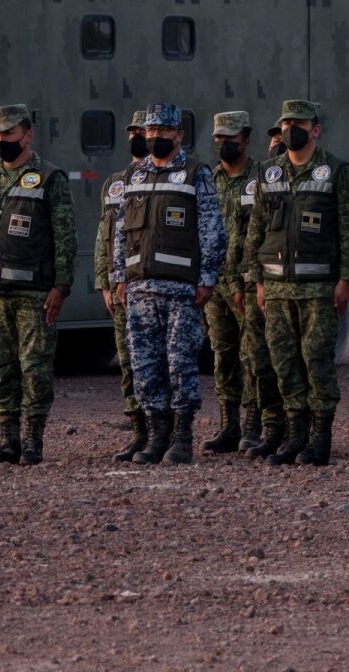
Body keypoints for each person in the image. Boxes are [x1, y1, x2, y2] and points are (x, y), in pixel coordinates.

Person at [244, 99, 349, 467]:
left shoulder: (336, 171)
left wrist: (347, 279)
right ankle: (295, 436)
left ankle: (320, 438)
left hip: (318, 288)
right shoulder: (268, 173)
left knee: (317, 362)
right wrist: (257, 279)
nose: (290, 129)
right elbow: (256, 230)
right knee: (284, 362)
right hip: (277, 288)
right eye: (286, 124)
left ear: (316, 129)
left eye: (299, 123)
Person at [113, 101, 226, 466]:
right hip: (141, 289)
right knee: (146, 366)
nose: (155, 136)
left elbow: (212, 230)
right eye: (150, 131)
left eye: (163, 131)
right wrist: (119, 276)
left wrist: (207, 278)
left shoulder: (196, 173)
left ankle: (182, 436)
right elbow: (120, 231)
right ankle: (156, 434)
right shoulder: (134, 176)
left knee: (179, 363)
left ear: (179, 134)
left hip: (182, 291)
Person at [0, 104, 75, 466]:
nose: (1, 140)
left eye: (8, 134)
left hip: (34, 292)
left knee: (35, 367)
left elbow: (64, 235)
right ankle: (8, 438)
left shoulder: (48, 177)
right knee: (0, 368)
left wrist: (61, 285)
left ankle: (33, 439)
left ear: (27, 135)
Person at [203, 111, 271, 455]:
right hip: (215, 284)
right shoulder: (209, 181)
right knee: (222, 355)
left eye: (230, 138)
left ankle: (253, 426)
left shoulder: (261, 179)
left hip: (246, 284)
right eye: (219, 138)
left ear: (245, 139)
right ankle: (228, 424)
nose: (224, 144)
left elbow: (266, 234)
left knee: (254, 355)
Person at [96, 111, 149, 461]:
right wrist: (105, 281)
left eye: (141, 131)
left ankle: (165, 430)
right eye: (132, 132)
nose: (136, 137)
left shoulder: (170, 177)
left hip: (152, 283)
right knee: (128, 362)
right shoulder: (116, 182)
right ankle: (139, 432)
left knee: (158, 362)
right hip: (121, 288)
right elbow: (105, 235)